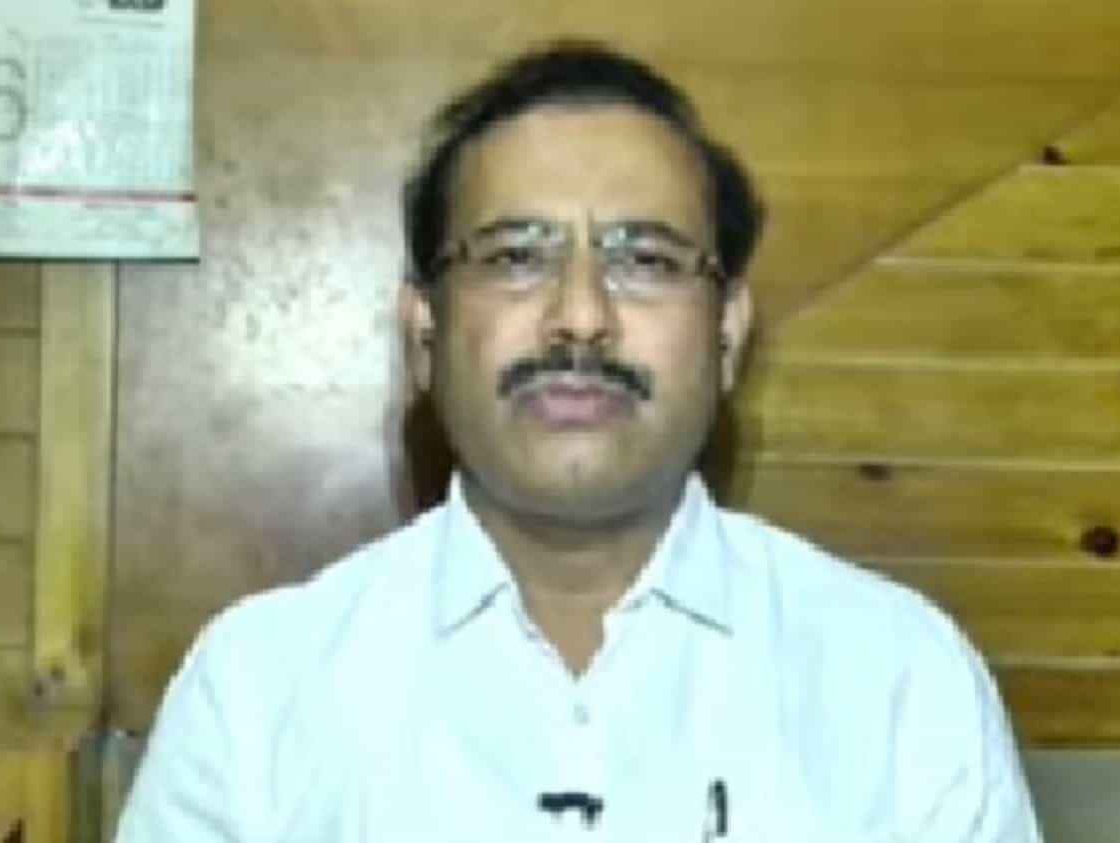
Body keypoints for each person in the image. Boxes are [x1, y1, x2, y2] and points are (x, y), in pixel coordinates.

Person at [115, 40, 1043, 842]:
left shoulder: (899, 681)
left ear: (727, 331)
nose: (582, 317)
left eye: (645, 260)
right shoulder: (260, 689)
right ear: (424, 331)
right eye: (517, 257)